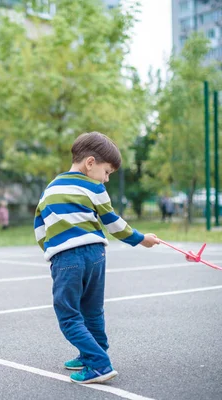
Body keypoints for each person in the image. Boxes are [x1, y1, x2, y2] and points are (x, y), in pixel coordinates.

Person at [34, 132, 160, 385]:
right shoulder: (95, 188)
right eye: (107, 172)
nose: (107, 178)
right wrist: (140, 238)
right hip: (95, 255)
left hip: (66, 258)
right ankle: (93, 353)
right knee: (92, 309)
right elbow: (113, 223)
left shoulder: (51, 189)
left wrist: (49, 250)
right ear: (90, 163)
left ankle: (98, 363)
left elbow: (40, 226)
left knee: (68, 315)